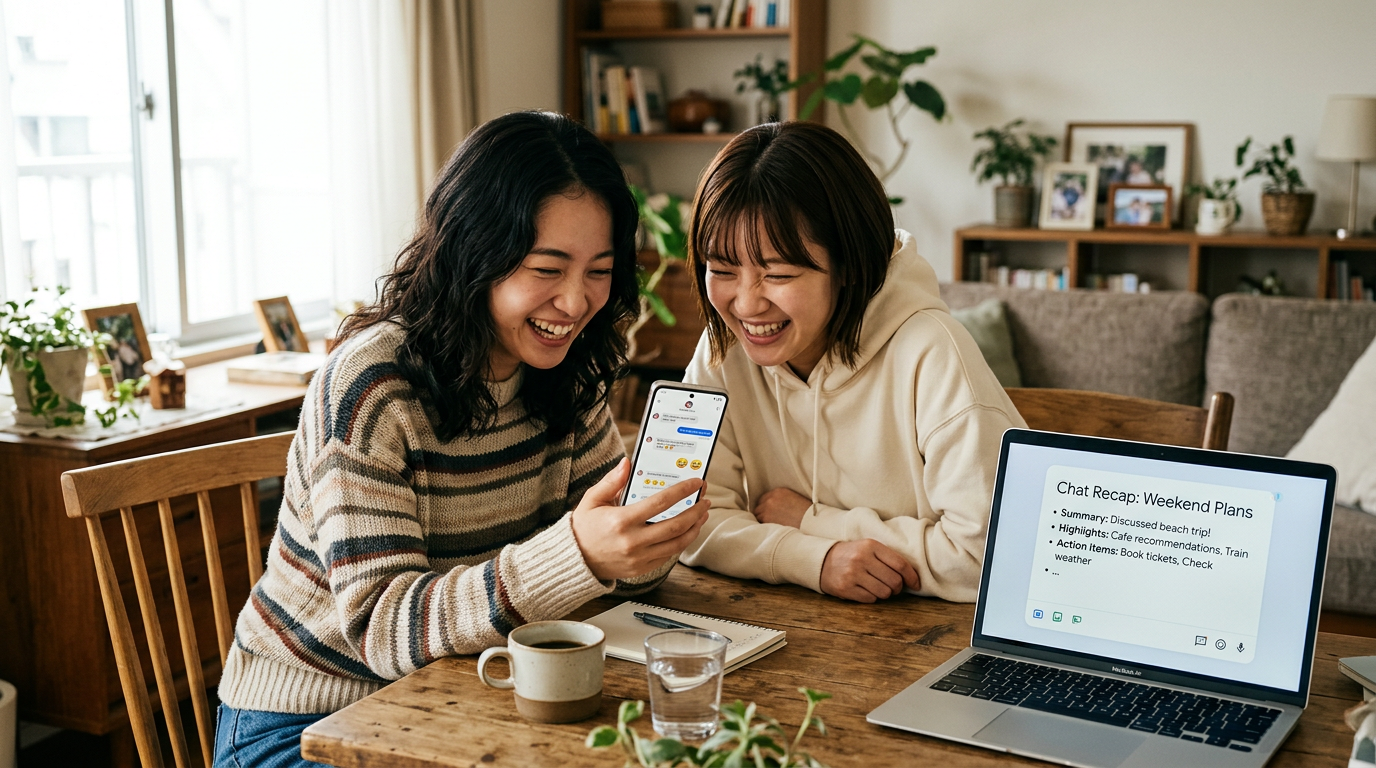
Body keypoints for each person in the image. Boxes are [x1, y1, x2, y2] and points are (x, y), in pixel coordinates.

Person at [213, 111, 709, 768]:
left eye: (599, 270)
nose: (575, 301)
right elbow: (386, 631)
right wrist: (577, 557)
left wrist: (642, 543)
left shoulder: (567, 371)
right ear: (475, 253)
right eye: (546, 268)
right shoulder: (372, 386)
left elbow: (610, 568)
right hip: (313, 717)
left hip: (464, 690)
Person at [678, 121, 1025, 604]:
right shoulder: (724, 347)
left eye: (777, 273)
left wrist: (809, 521)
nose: (745, 304)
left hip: (927, 644)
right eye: (721, 271)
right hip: (787, 628)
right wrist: (815, 560)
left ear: (848, 265)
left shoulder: (932, 352)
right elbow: (681, 519)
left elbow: (987, 556)